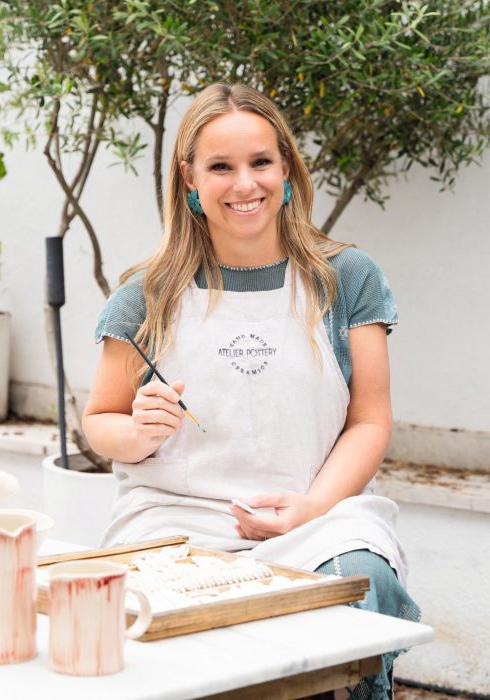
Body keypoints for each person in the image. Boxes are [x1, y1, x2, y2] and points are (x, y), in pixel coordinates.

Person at [82, 83, 419, 699]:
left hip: (318, 521)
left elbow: (370, 421)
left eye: (261, 162)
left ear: (286, 168)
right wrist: (138, 429)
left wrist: (314, 506)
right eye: (221, 167)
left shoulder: (347, 280)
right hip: (173, 523)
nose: (245, 185)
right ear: (189, 180)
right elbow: (99, 421)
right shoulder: (144, 295)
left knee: (360, 583)